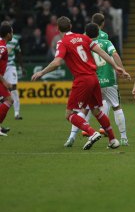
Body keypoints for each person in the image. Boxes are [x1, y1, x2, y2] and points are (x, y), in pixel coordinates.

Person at [31, 16, 129, 150]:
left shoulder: (63, 42)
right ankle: (113, 139)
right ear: (71, 26)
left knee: (69, 114)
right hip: (94, 78)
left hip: (82, 80)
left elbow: (57, 62)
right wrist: (116, 66)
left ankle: (91, 132)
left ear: (58, 29)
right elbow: (102, 52)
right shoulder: (84, 38)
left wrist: (41, 72)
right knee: (96, 111)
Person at [64, 23, 131, 147]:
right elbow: (114, 55)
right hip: (109, 81)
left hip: (92, 80)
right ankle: (123, 138)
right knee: (116, 107)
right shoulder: (106, 42)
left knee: (84, 109)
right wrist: (121, 69)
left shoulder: (83, 44)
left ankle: (72, 137)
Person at [3, 22, 23, 120]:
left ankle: (16, 113)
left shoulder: (14, 41)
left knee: (14, 88)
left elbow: (18, 53)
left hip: (10, 66)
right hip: (2, 68)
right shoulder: (1, 44)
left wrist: (22, 67)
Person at [0, 24, 15, 136]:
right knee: (9, 100)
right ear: (8, 34)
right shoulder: (2, 48)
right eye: (12, 32)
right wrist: (4, 81)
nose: (13, 34)